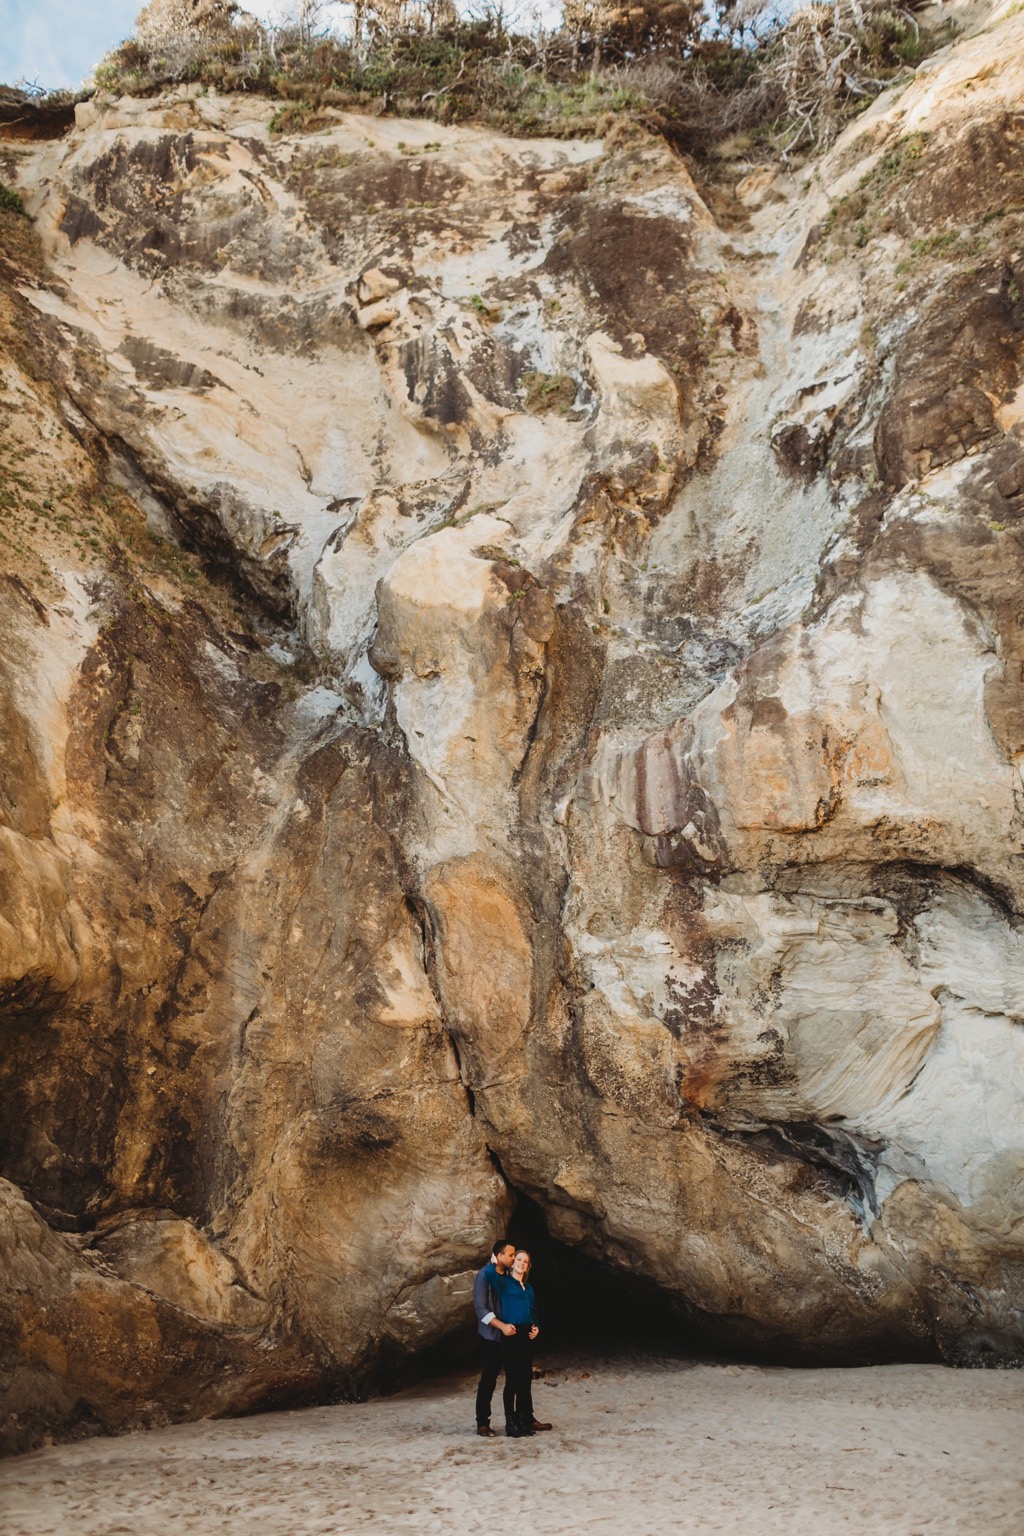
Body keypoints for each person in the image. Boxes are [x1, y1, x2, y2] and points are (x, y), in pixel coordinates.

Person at [494, 1249, 552, 1437]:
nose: (521, 1263)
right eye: (518, 1259)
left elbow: (532, 1311)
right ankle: (511, 1423)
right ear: (512, 1262)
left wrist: (536, 1326)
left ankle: (525, 1419)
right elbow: (489, 1274)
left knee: (525, 1379)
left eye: (525, 1261)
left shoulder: (529, 1288)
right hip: (511, 1333)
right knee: (512, 1380)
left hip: (526, 1334)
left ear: (528, 1267)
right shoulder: (504, 1283)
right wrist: (495, 1259)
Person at [473, 1237, 517, 1438]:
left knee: (516, 1377)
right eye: (510, 1255)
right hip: (491, 1335)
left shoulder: (509, 1274)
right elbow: (481, 1309)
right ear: (499, 1256)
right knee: (489, 1379)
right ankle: (482, 1423)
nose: (514, 1258)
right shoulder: (484, 1276)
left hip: (510, 1334)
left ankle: (519, 1419)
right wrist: (501, 1326)